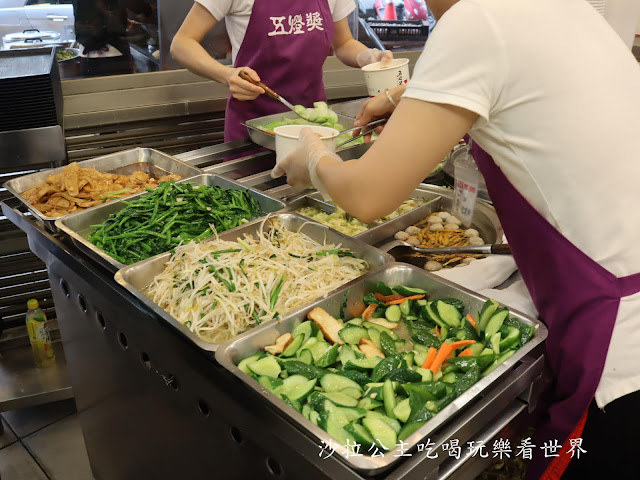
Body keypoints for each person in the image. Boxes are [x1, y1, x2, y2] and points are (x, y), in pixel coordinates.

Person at [272, 0, 640, 478]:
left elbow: (367, 197)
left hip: (620, 356)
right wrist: (406, 95)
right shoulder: (568, 9)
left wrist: (314, 158)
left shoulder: (476, 19)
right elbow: (513, 76)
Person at [170, 0, 393, 142]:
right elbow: (182, 43)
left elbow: (343, 43)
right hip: (255, 130)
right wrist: (227, 75)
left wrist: (368, 57)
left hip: (316, 126)